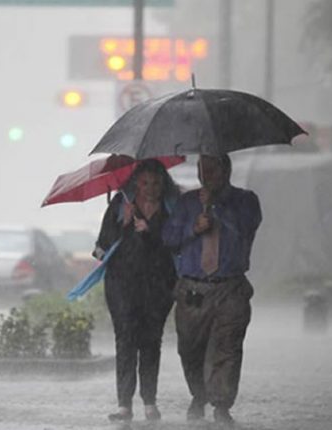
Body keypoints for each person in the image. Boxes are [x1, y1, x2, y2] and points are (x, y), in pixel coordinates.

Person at [162, 154, 262, 427]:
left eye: (212, 170)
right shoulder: (186, 203)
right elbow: (169, 238)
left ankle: (221, 403)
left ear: (226, 170)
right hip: (193, 289)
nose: (206, 176)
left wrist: (216, 208)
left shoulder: (246, 200)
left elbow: (245, 228)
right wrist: (193, 229)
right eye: (201, 170)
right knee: (190, 348)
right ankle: (199, 394)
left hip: (229, 288)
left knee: (226, 348)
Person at [94, 159, 180, 422]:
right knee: (126, 340)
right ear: (135, 184)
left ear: (164, 183)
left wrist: (152, 231)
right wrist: (123, 224)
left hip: (158, 286)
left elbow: (179, 244)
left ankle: (149, 402)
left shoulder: (173, 210)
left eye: (156, 183)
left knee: (151, 341)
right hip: (122, 285)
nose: (150, 188)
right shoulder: (120, 206)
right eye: (144, 183)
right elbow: (100, 249)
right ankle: (124, 405)